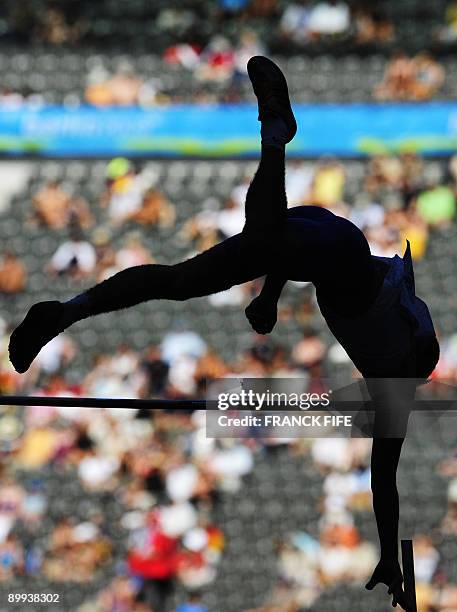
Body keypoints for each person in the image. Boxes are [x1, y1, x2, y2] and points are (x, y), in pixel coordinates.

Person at [9, 56, 439, 611]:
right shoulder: (395, 384)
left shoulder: (396, 351)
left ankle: (70, 309)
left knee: (189, 277)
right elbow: (385, 482)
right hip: (340, 257)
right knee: (237, 252)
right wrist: (385, 550)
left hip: (326, 238)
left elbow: (294, 258)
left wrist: (267, 295)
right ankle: (276, 139)